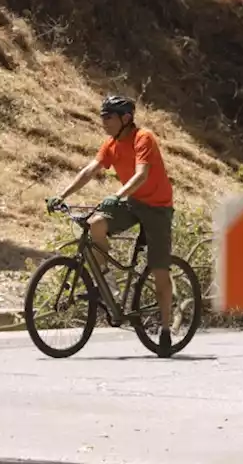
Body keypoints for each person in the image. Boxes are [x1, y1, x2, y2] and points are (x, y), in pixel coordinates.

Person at [48, 94, 177, 358]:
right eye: (102, 117)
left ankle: (165, 329)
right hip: (131, 202)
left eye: (108, 117)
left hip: (157, 208)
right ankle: (107, 285)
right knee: (95, 224)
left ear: (125, 118)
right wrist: (62, 195)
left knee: (159, 271)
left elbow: (142, 175)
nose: (103, 122)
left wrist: (117, 195)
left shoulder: (144, 138)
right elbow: (89, 170)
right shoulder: (111, 144)